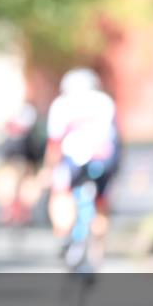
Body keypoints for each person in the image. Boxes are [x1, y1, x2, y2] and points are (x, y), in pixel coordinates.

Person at [40, 67, 120, 270]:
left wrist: (48, 169)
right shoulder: (105, 102)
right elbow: (115, 137)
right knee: (101, 206)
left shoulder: (62, 104)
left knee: (61, 193)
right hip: (103, 160)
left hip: (72, 159)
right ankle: (96, 257)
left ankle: (64, 233)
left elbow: (55, 142)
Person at [0, 102, 47, 225]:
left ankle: (22, 210)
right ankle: (9, 209)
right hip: (11, 162)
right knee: (7, 180)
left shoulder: (31, 132)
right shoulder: (7, 133)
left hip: (27, 162)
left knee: (29, 183)